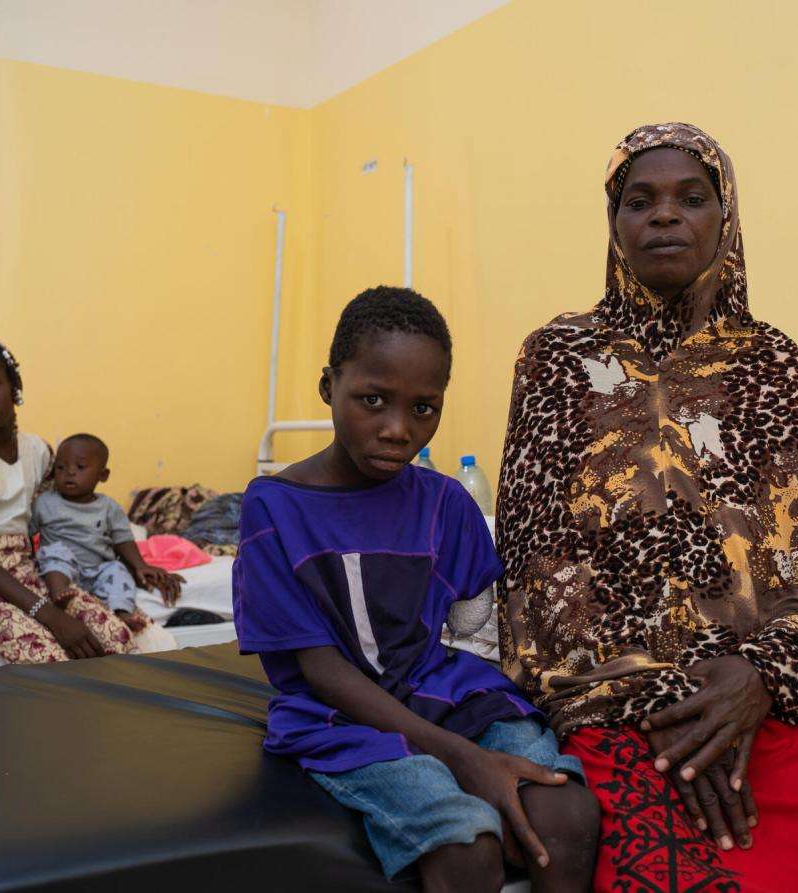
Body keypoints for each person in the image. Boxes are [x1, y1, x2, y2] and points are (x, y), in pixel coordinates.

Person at [497, 124, 798, 892]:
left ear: (724, 218)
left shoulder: (773, 365)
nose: (664, 216)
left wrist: (758, 676)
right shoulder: (555, 361)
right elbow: (538, 565)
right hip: (619, 698)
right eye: (641, 200)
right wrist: (665, 697)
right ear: (615, 223)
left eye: (690, 197)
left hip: (767, 691)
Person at [233, 287, 599, 892]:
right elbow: (321, 671)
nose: (398, 430)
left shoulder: (445, 502)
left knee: (567, 809)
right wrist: (462, 759)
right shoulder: (275, 508)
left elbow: (475, 627)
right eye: (372, 401)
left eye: (424, 408)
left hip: (444, 692)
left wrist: (488, 724)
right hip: (341, 715)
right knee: (466, 839)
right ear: (329, 387)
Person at [0, 332, 147, 663]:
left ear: (13, 387)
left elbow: (55, 520)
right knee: (47, 656)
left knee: (116, 638)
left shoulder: (39, 451)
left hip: (34, 574)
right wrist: (49, 615)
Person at [33, 432, 184, 618]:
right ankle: (59, 594)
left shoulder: (108, 507)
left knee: (118, 570)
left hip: (98, 570)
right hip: (62, 572)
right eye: (60, 468)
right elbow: (26, 533)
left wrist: (140, 565)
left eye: (80, 467)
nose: (69, 472)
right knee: (54, 553)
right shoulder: (45, 502)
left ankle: (121, 612)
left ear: (102, 475)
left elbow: (123, 540)